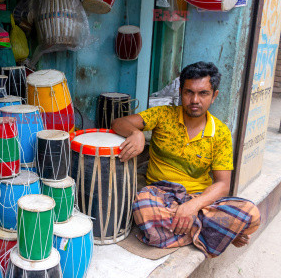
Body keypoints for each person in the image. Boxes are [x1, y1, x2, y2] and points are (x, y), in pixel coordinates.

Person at [111, 62, 260, 258]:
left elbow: (223, 185)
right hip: (160, 194)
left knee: (251, 213)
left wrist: (192, 206)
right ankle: (213, 232)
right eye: (189, 92)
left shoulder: (221, 132)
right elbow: (118, 122)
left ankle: (184, 227)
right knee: (142, 207)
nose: (195, 100)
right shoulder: (163, 115)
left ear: (214, 95)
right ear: (181, 92)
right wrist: (135, 133)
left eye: (203, 93)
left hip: (198, 198)